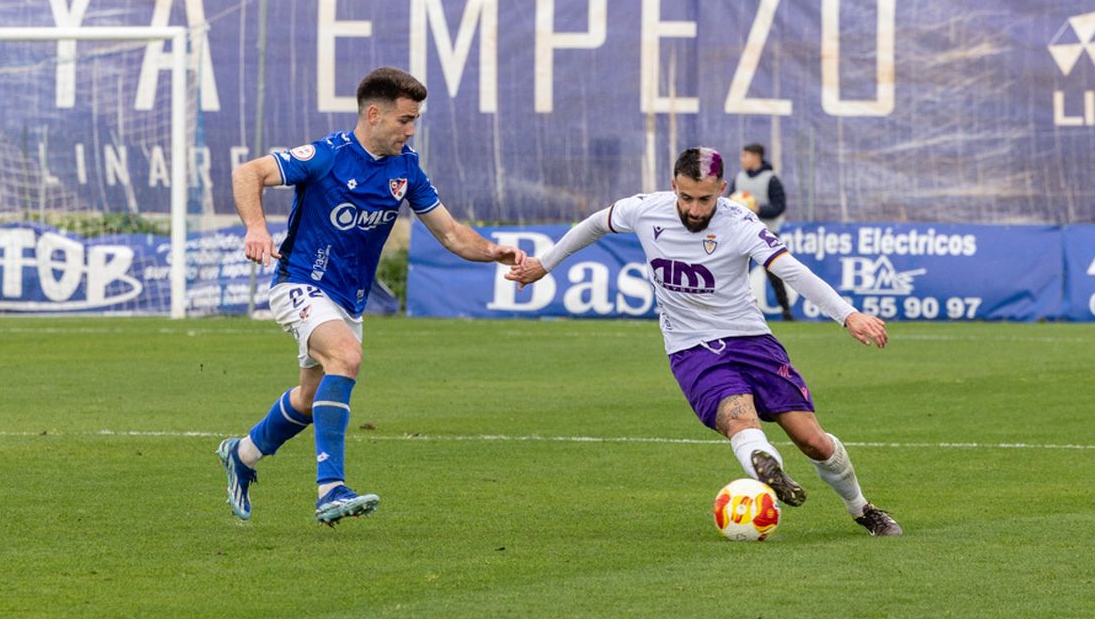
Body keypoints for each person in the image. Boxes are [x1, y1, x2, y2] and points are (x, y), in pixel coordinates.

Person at [506, 147, 901, 536]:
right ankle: (766, 465)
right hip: (691, 346)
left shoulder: (739, 222)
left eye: (705, 199)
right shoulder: (645, 210)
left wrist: (847, 314)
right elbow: (594, 223)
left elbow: (791, 270)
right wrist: (545, 263)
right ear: (673, 186)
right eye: (686, 198)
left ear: (723, 188)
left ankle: (860, 508)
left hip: (751, 339)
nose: (695, 210)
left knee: (813, 442)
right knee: (737, 419)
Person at [218, 67, 524, 525]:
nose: (411, 129)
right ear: (375, 114)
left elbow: (452, 234)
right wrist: (257, 227)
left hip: (347, 299)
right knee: (346, 357)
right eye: (404, 119)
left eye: (415, 119)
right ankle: (331, 489)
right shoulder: (328, 155)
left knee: (308, 397)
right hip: (301, 282)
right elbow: (249, 172)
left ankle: (241, 454)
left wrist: (492, 252)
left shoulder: (406, 168)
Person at [734, 144, 793, 322]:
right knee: (738, 274)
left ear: (756, 157)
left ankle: (786, 310)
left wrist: (758, 209)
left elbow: (779, 206)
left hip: (767, 233)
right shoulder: (738, 178)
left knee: (775, 273)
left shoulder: (771, 179)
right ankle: (735, 313)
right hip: (742, 234)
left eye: (745, 156)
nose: (742, 159)